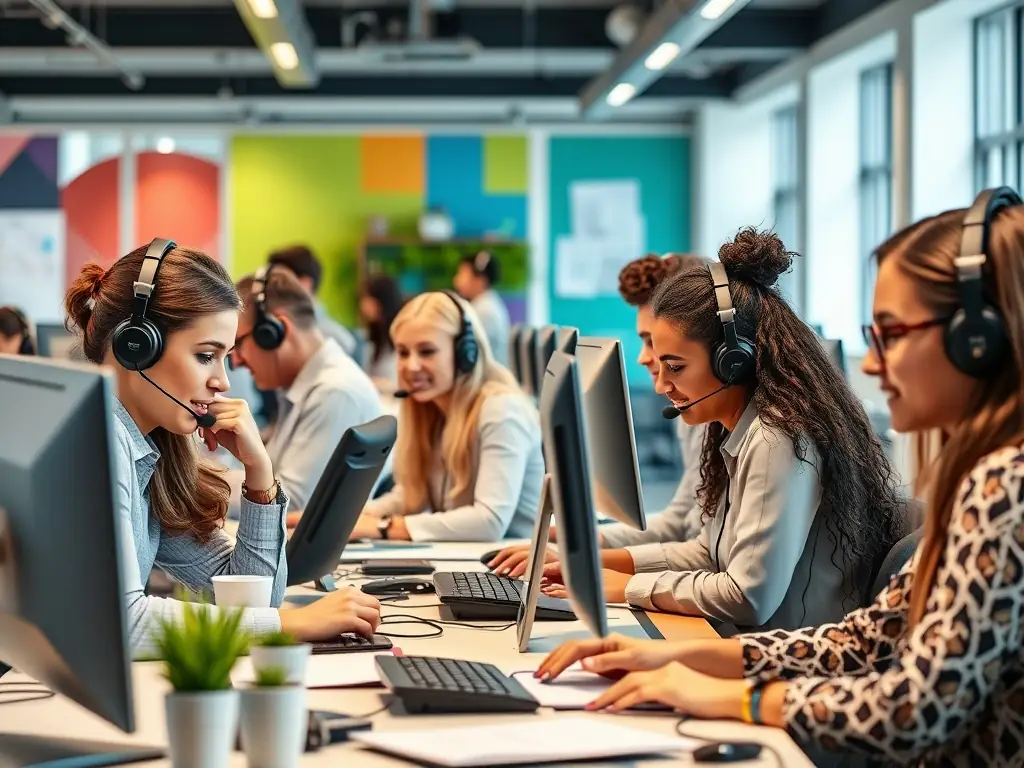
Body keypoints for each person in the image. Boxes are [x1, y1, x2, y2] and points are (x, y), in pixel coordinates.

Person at [533, 188, 1024, 767]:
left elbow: (915, 709)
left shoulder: (1004, 489)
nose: (869, 364)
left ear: (977, 341)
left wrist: (739, 699)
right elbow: (865, 641)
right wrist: (681, 662)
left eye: (889, 334)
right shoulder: (983, 480)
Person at [541, 229, 903, 633]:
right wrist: (590, 563)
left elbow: (747, 598)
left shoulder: (775, 439)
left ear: (734, 361)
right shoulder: (731, 429)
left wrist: (630, 587)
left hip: (779, 657)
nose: (661, 385)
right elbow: (708, 553)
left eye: (675, 367)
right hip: (742, 642)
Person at [64, 240, 382, 657]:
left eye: (227, 357)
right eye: (205, 356)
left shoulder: (153, 450)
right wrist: (290, 623)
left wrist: (259, 475)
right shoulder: (98, 444)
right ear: (137, 346)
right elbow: (121, 623)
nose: (223, 382)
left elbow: (251, 598)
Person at [486, 252, 709, 578]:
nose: (645, 358)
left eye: (654, 342)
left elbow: (718, 562)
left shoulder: (723, 417)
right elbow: (681, 519)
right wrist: (589, 539)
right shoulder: (691, 412)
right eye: (645, 341)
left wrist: (590, 559)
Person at [350, 290, 543, 542]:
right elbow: (410, 494)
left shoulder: (501, 410)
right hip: (474, 564)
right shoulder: (431, 411)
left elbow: (489, 521)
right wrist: (345, 520)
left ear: (466, 353)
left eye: (427, 351)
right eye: (403, 352)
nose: (411, 366)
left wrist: (383, 527)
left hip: (514, 572)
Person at [231, 265, 386, 515]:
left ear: (275, 332)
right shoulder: (303, 389)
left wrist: (197, 487)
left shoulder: (335, 393)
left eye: (238, 343)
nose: (235, 361)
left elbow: (292, 504)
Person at [268, 244, 358, 358]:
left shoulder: (337, 340)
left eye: (279, 284)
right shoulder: (275, 331)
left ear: (305, 284)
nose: (271, 292)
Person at [453, 251, 511, 367]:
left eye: (462, 274)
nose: (456, 280)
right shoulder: (485, 304)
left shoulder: (485, 311)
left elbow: (469, 355)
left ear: (480, 280)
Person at [359, 273, 403, 391]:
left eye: (367, 298)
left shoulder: (400, 336)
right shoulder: (372, 336)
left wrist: (375, 383)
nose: (363, 304)